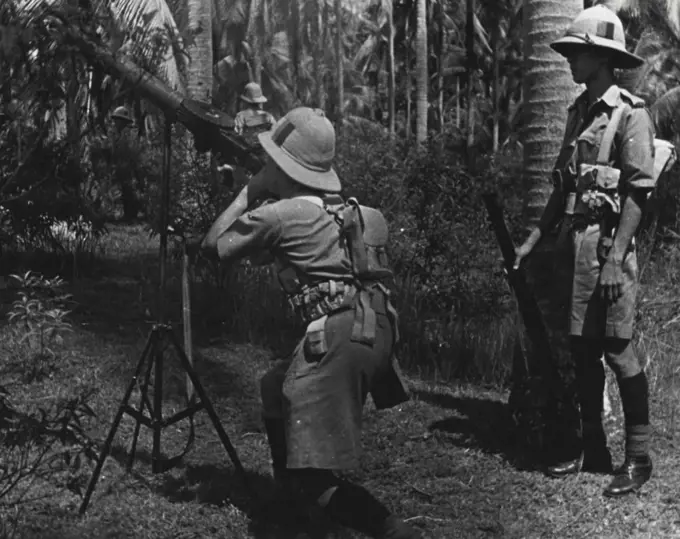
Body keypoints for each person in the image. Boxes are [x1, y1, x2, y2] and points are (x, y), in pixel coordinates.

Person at [199, 107, 420, 538]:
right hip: (374, 329)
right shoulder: (349, 211)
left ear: (282, 167)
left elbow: (214, 245)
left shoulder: (281, 215)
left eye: (269, 161)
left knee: (317, 480)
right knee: (272, 386)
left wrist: (250, 191)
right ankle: (291, 501)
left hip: (338, 337)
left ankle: (391, 530)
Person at [514, 5, 655, 497]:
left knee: (617, 347)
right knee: (582, 348)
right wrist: (535, 237)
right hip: (575, 245)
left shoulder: (630, 115)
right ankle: (592, 448)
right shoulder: (578, 112)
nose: (569, 60)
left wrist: (616, 257)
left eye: (577, 52)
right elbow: (561, 184)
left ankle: (637, 457)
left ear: (600, 58)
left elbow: (639, 191)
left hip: (608, 248)